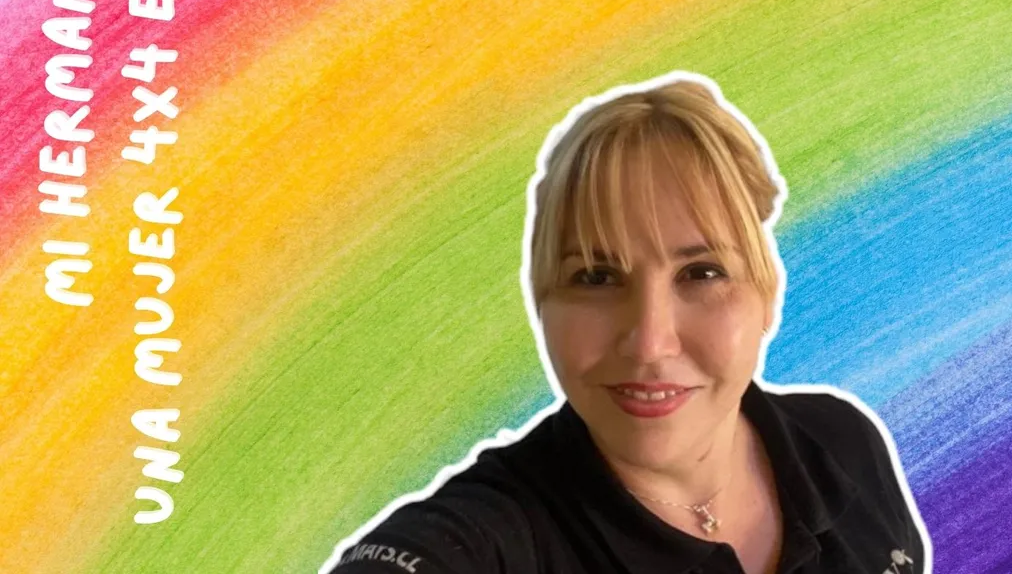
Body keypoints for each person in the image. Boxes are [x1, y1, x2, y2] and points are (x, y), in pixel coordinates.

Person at [327, 73, 929, 574]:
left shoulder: (843, 442)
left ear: (766, 295)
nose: (649, 342)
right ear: (541, 304)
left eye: (701, 273)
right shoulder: (491, 538)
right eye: (595, 276)